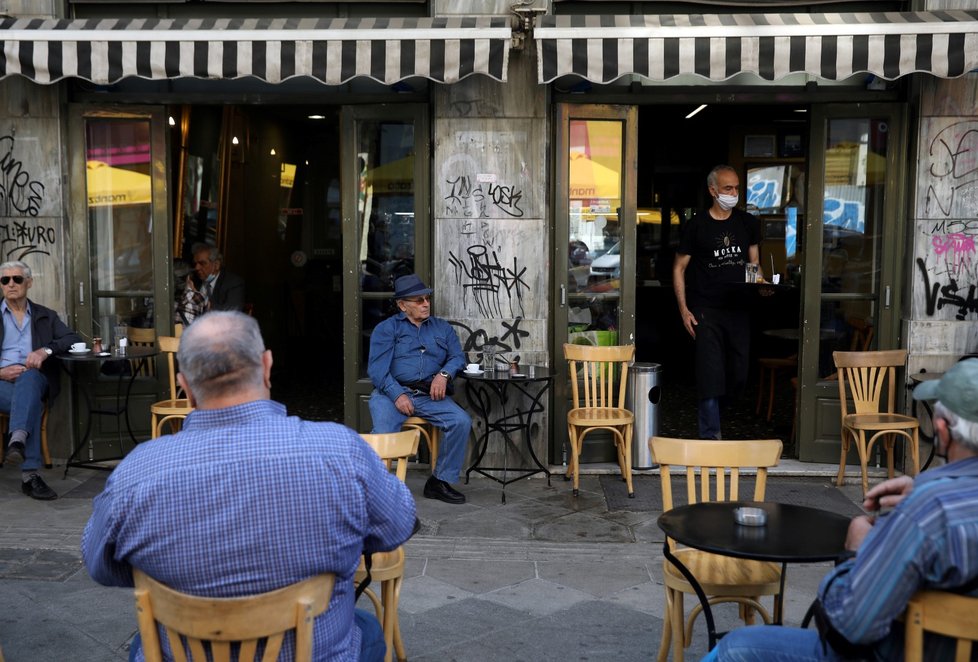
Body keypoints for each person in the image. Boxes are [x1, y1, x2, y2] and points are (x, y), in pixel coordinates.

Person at [81, 311, 415, 662]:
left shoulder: (137, 472)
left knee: (144, 641)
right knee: (370, 631)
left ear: (184, 385)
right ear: (267, 365)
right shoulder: (340, 452)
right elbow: (398, 524)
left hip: (186, 651)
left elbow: (100, 565)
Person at [703, 358, 978, 661]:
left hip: (894, 654)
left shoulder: (926, 513)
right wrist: (924, 488)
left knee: (734, 647)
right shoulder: (930, 501)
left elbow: (853, 626)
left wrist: (853, 553)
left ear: (941, 427)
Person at [673, 165, 762, 439]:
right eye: (728, 188)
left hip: (738, 308)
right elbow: (679, 268)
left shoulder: (747, 223)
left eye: (736, 188)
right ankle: (710, 437)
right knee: (710, 375)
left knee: (739, 374)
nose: (734, 193)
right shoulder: (696, 226)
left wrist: (761, 284)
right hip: (706, 309)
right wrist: (684, 310)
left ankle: (719, 414)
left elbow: (754, 264)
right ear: (713, 191)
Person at [367, 274, 471, 505]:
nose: (426, 304)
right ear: (402, 305)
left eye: (427, 299)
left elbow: (457, 357)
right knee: (383, 434)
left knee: (461, 421)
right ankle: (377, 488)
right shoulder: (386, 329)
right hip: (390, 393)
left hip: (428, 395)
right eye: (418, 300)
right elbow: (377, 371)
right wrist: (398, 394)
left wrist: (443, 375)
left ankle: (439, 482)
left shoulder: (441, 327)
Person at [0, 260, 81, 500]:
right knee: (29, 403)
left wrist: (44, 351)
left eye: (17, 279)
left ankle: (16, 440)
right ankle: (29, 474)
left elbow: (72, 338)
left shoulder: (45, 315)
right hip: (1, 383)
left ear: (29, 282)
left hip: (35, 379)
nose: (11, 284)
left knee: (30, 379)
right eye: (5, 280)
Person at [186, 243, 246, 313]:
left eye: (202, 263)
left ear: (216, 265)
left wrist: (198, 298)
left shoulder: (233, 283)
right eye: (195, 264)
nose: (197, 268)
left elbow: (232, 312)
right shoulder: (193, 281)